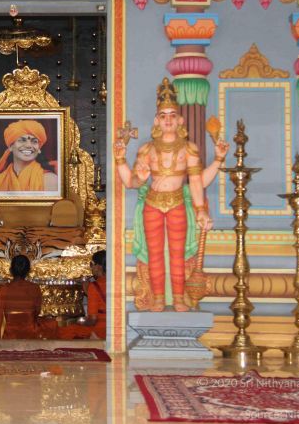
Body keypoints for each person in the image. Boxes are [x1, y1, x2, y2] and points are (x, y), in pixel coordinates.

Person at [113, 78, 228, 312]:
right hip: (153, 204)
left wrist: (218, 161)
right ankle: (157, 298)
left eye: (172, 115)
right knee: (154, 253)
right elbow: (131, 183)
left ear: (180, 120)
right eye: (163, 115)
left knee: (177, 254)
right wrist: (120, 159)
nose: (168, 120)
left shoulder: (189, 149)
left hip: (176, 202)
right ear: (157, 120)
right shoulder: (147, 149)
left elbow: (197, 182)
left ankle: (177, 298)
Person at [0, 255, 58, 339]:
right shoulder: (34, 288)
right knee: (52, 324)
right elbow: (37, 312)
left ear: (11, 270)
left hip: (8, 334)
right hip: (30, 332)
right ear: (28, 271)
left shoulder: (2, 289)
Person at [0, 119, 58, 192]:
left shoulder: (50, 180)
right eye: (22, 140)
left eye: (34, 141)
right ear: (11, 147)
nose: (28, 145)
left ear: (39, 149)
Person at [58, 250, 106, 340]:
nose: (91, 268)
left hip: (100, 329)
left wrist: (79, 321)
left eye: (92, 264)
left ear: (98, 266)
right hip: (116, 327)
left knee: (65, 331)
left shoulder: (94, 286)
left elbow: (92, 320)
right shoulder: (118, 282)